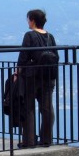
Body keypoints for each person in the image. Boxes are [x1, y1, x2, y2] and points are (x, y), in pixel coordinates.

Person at [16, 9, 58, 148]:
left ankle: (29, 141)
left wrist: (17, 73)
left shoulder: (30, 35)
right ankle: (46, 139)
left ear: (32, 20)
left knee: (28, 107)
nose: (28, 22)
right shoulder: (50, 36)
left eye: (28, 19)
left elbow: (23, 56)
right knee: (46, 108)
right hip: (48, 76)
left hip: (32, 76)